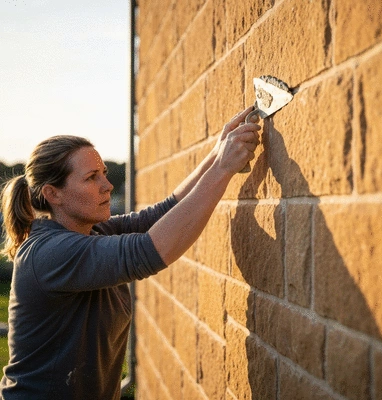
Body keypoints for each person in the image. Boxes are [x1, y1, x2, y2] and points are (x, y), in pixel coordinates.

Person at [0, 106, 260, 399]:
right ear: (53, 194)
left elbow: (162, 213)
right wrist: (223, 168)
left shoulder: (91, 230)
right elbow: (150, 250)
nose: (107, 186)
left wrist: (216, 153)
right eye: (91, 178)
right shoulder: (49, 253)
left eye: (104, 173)